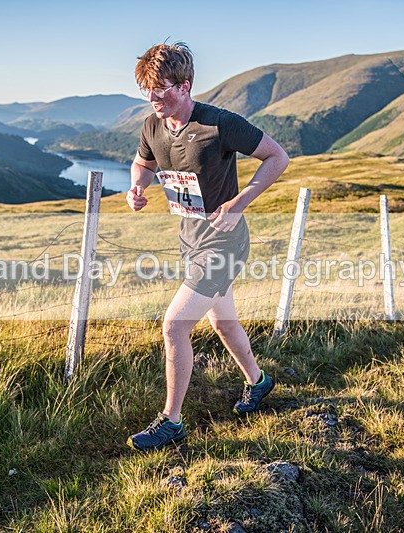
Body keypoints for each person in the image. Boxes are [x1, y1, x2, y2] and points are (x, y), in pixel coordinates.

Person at [125, 42, 289, 451]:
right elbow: (143, 163)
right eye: (147, 90)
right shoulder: (152, 125)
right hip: (190, 240)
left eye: (160, 89)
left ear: (185, 85)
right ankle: (259, 381)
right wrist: (137, 187)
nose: (153, 98)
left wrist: (238, 203)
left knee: (175, 325)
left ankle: (171, 422)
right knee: (223, 323)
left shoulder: (219, 123)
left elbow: (277, 157)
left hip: (224, 243)